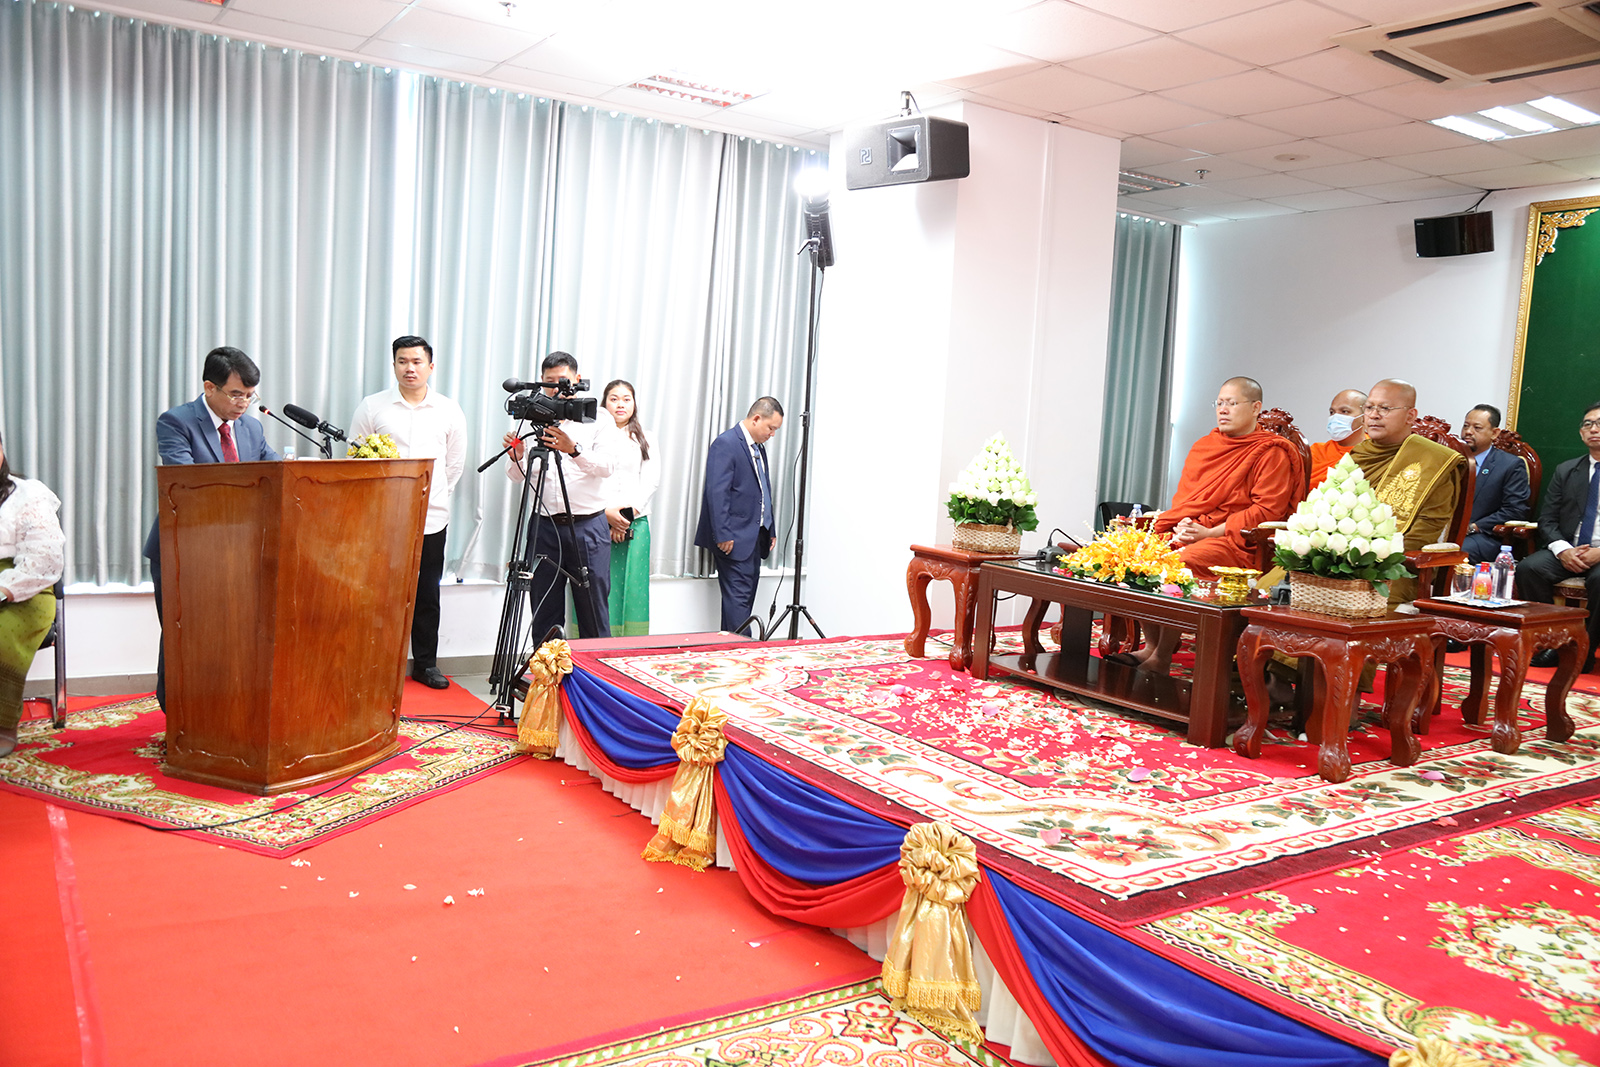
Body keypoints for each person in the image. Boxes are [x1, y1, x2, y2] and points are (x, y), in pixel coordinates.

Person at [1119, 377, 1301, 673]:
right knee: (1138, 557)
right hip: (1194, 532)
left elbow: (1267, 511)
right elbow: (1188, 501)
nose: (1223, 410)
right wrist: (1183, 525)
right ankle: (1150, 645)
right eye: (1219, 403)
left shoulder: (1271, 452)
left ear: (1256, 408)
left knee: (1180, 564)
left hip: (1236, 543)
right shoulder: (1205, 446)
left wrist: (1207, 533)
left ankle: (1162, 656)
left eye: (1232, 403)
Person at [143, 347, 281, 710]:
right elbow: (187, 485)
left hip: (238, 550)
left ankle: (223, 711)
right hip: (184, 549)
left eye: (250, 396)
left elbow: (275, 474)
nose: (244, 404)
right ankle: (178, 715)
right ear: (209, 387)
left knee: (231, 634)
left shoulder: (251, 427)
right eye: (236, 394)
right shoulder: (176, 422)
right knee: (183, 633)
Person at [349, 335, 468, 689]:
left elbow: (453, 465)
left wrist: (433, 497)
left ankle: (426, 665)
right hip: (382, 518)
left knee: (427, 593)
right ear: (394, 365)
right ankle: (377, 662)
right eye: (402, 361)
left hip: (432, 517)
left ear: (431, 366)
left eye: (416, 362)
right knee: (379, 592)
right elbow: (356, 457)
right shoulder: (373, 407)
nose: (409, 368)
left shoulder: (448, 410)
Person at [503, 352, 621, 642]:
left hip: (588, 527)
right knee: (544, 611)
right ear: (541, 382)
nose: (556, 388)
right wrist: (517, 457)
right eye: (550, 382)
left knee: (593, 610)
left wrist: (574, 450)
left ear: (577, 380)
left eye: (563, 381)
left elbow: (607, 467)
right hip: (544, 527)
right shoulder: (530, 416)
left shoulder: (598, 418)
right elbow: (516, 476)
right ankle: (547, 669)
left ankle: (595, 669)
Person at [1348, 378, 1464, 606]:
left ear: (1411, 416)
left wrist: (1371, 555)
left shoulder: (1433, 461)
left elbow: (1425, 531)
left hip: (1395, 566)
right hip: (1341, 557)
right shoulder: (1360, 454)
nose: (1374, 415)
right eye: (1369, 407)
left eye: (1384, 408)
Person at [1518, 401, 1600, 673]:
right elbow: (1547, 519)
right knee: (1529, 568)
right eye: (1588, 424)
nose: (1594, 429)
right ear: (1581, 433)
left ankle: (1584, 649)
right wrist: (1563, 550)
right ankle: (1551, 643)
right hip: (1570, 547)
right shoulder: (1567, 470)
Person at [0, 431, 66, 759]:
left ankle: (2, 723)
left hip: (24, 588)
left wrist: (4, 590)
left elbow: (43, 560)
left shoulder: (28, 495)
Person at [696, 397, 783, 636]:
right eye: (771, 428)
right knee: (738, 601)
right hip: (733, 537)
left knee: (742, 599)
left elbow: (763, 490)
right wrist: (723, 534)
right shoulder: (726, 443)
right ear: (756, 418)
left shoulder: (758, 448)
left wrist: (770, 527)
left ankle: (728, 647)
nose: (772, 434)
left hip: (755, 536)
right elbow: (717, 492)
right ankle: (744, 648)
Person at [599, 380, 658, 637]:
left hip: (636, 522)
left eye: (626, 399)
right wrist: (609, 516)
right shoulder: (593, 436)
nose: (620, 404)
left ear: (634, 403)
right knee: (599, 587)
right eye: (614, 399)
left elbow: (651, 480)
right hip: (598, 521)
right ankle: (596, 645)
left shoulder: (646, 437)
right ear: (604, 403)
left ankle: (632, 647)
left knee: (634, 587)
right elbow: (590, 479)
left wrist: (624, 518)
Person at [1459, 403, 1530, 564]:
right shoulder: (1453, 459)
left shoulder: (1509, 465)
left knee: (1452, 551)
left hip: (1484, 536)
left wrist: (1474, 527)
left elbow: (1515, 510)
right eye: (1466, 426)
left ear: (1494, 433)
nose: (1468, 432)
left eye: (1477, 428)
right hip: (1446, 532)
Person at [1309, 389, 1366, 489]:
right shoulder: (1316, 452)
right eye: (1332, 412)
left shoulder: (1375, 452)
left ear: (1365, 417)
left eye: (1345, 411)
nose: (1335, 417)